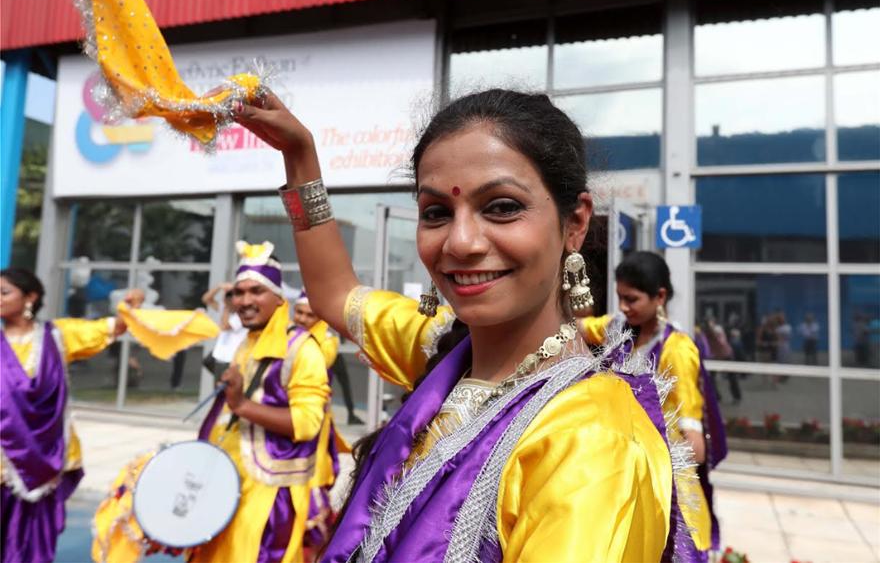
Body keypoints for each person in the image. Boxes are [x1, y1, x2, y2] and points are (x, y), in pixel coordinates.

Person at [233, 88, 695, 561]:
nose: (461, 242)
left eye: (501, 207)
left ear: (575, 222)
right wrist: (299, 158)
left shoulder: (594, 439)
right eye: (436, 213)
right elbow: (335, 293)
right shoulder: (446, 351)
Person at [91, 242, 331, 563]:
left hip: (271, 493)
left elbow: (307, 423)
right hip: (226, 481)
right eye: (238, 292)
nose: (244, 301)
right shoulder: (246, 342)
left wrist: (242, 404)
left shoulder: (304, 349)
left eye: (256, 292)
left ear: (278, 299)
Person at [581, 252, 727, 561]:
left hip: (663, 474)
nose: (622, 307)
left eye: (631, 299)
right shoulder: (619, 330)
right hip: (620, 467)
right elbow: (579, 327)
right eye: (620, 297)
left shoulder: (676, 349)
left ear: (659, 296)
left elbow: (693, 441)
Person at [0, 268, 140, 563]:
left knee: (35, 542)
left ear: (30, 297)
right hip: (2, 460)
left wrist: (132, 304)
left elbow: (114, 327)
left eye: (4, 293)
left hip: (47, 456)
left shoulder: (58, 335)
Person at [290, 292, 348, 558]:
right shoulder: (287, 338)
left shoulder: (325, 342)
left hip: (312, 421)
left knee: (311, 483)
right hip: (286, 422)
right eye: (298, 312)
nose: (302, 319)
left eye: (309, 314)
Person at [201, 281, 248, 381]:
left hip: (232, 359)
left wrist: (226, 306)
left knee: (228, 391)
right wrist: (219, 287)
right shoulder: (226, 310)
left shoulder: (242, 314)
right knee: (219, 390)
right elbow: (206, 299)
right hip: (220, 357)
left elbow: (225, 326)